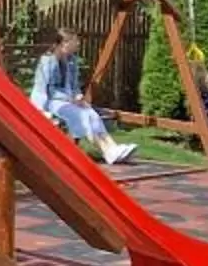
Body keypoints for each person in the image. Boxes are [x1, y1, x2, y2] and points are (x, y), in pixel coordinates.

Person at [30, 28, 136, 165]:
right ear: (64, 44)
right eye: (75, 42)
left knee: (91, 112)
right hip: (50, 102)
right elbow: (45, 90)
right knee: (82, 115)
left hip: (67, 100)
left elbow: (74, 86)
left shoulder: (71, 61)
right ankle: (106, 151)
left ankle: (113, 147)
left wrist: (78, 97)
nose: (78, 44)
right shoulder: (48, 62)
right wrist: (66, 100)